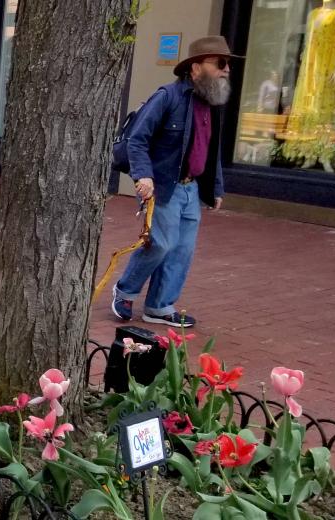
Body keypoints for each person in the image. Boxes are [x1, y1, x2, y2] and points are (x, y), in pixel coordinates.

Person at [112, 36, 236, 328]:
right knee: (160, 245)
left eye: (227, 64)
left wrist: (215, 187)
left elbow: (211, 150)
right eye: (220, 63)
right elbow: (138, 139)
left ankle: (159, 306)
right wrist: (144, 175)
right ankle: (126, 290)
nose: (226, 69)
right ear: (195, 67)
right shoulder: (167, 97)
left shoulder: (211, 104)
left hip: (191, 188)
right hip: (163, 186)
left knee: (182, 250)